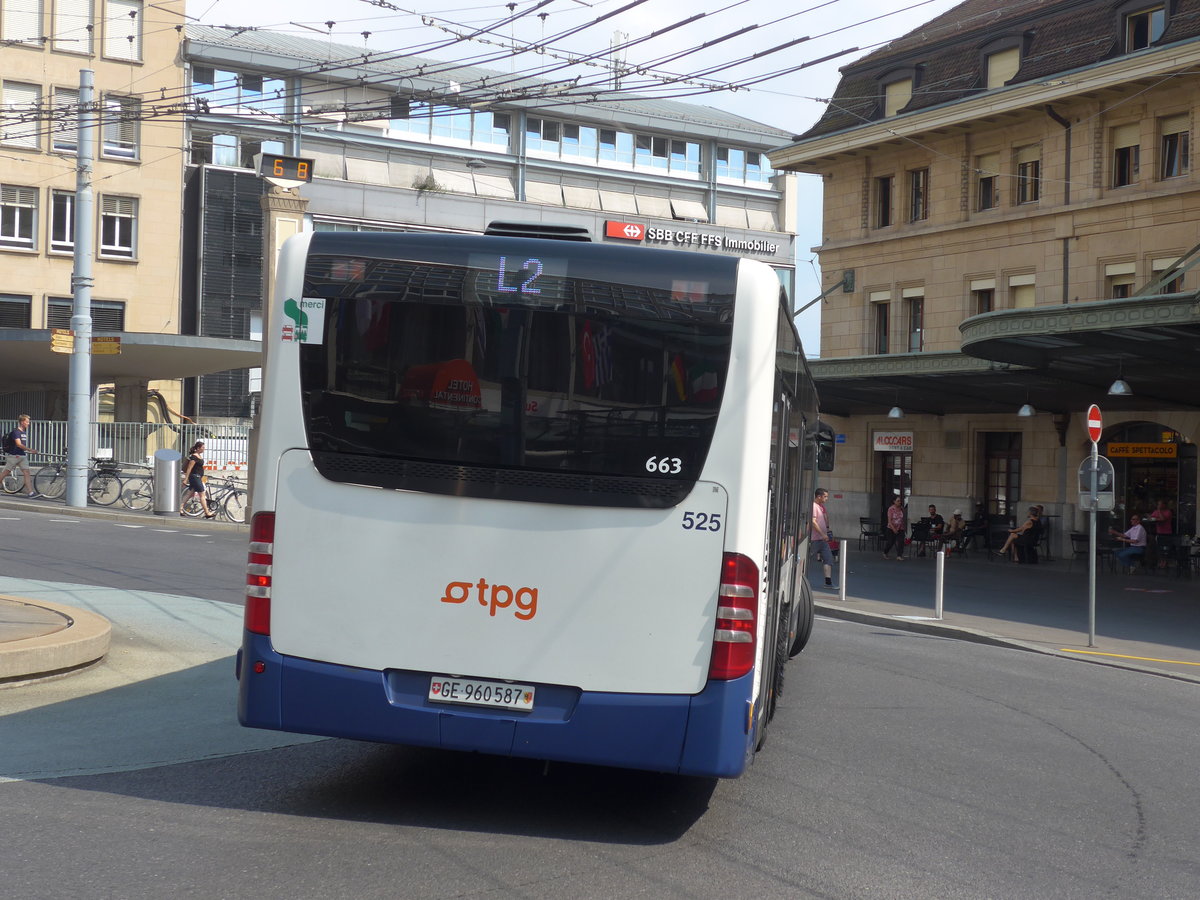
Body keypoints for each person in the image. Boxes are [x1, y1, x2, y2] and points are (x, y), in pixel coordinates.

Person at [0, 414, 44, 499]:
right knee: (6, 472)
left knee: (26, 472)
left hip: (22, 455)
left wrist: (27, 450)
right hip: (14, 456)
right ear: (22, 422)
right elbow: (19, 444)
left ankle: (30, 492)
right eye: (27, 422)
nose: (28, 424)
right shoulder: (15, 432)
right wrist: (31, 450)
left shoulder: (23, 433)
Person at [181, 440, 216, 519]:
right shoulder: (194, 457)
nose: (204, 449)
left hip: (197, 477)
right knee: (202, 495)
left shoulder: (198, 456)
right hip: (195, 477)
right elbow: (189, 468)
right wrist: (185, 479)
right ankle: (207, 512)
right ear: (198, 448)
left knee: (189, 494)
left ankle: (180, 508)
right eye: (203, 447)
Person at [811, 488, 835, 587]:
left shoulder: (821, 507)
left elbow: (824, 519)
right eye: (825, 496)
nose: (827, 498)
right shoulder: (813, 506)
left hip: (822, 539)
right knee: (804, 558)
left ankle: (828, 582)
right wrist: (823, 534)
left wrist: (827, 532)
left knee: (828, 558)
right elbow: (813, 522)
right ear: (819, 496)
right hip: (814, 539)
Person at [881, 496, 907, 560]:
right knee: (890, 542)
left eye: (900, 501)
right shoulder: (891, 509)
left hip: (900, 527)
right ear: (894, 501)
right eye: (898, 501)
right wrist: (893, 529)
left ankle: (899, 555)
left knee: (901, 541)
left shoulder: (902, 509)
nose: (899, 502)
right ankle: (885, 552)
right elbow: (889, 521)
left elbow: (903, 519)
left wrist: (904, 527)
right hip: (891, 528)